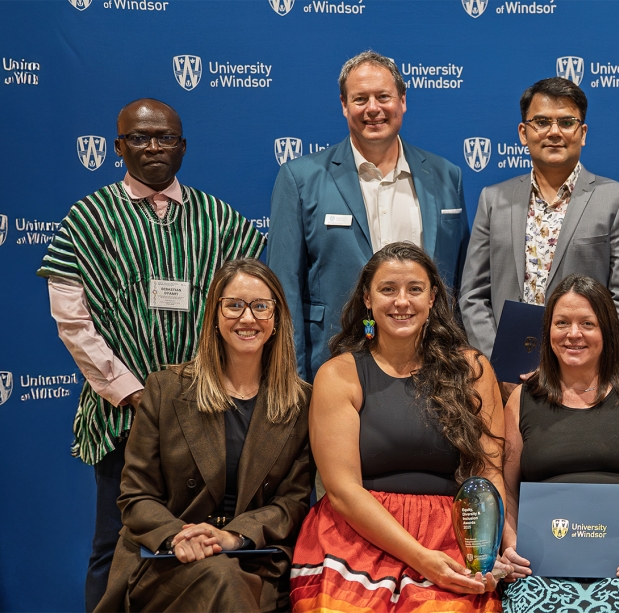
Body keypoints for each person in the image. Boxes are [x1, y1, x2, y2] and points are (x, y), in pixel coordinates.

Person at [37, 98, 266, 611]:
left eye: (166, 137)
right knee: (114, 542)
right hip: (122, 414)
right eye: (140, 138)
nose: (154, 147)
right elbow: (74, 323)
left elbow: (246, 311)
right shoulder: (87, 220)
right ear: (118, 147)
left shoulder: (223, 220)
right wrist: (135, 394)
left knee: (204, 539)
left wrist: (211, 390)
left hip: (210, 412)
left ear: (183, 146)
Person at [290, 242, 506, 612]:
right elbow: (342, 492)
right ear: (367, 300)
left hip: (453, 534)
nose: (401, 301)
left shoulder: (472, 369)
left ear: (433, 298)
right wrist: (422, 559)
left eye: (415, 289)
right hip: (357, 533)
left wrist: (486, 553)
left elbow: (488, 475)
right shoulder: (339, 374)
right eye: (388, 289)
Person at [94, 259, 313, 612]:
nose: (247, 318)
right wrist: (178, 536)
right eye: (234, 305)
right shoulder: (166, 389)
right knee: (220, 577)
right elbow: (136, 497)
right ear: (214, 314)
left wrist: (233, 536)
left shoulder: (301, 402)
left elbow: (292, 504)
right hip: (165, 560)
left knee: (227, 576)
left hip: (253, 556)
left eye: (261, 306)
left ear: (276, 319)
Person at [268, 50, 470, 383]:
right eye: (360, 99)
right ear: (344, 105)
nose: (373, 108)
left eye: (383, 97)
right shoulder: (300, 178)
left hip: (431, 362)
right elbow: (283, 286)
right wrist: (292, 379)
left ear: (403, 100)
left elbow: (460, 283)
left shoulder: (447, 176)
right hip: (335, 358)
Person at [500, 274, 619, 612]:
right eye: (562, 323)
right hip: (543, 559)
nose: (574, 334)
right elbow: (508, 491)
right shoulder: (522, 399)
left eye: (588, 323)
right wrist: (511, 544)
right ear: (548, 331)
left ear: (607, 332)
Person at [460, 77, 619, 390]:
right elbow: (473, 294)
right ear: (523, 132)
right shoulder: (494, 200)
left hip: (586, 379)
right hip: (506, 381)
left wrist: (572, 361)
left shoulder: (618, 199)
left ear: (582, 133)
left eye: (567, 122)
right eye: (542, 122)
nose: (554, 132)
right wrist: (500, 361)